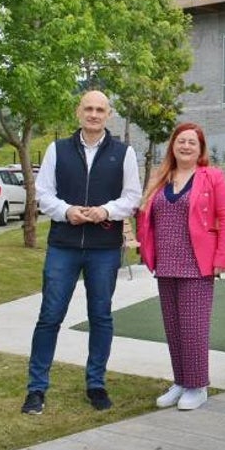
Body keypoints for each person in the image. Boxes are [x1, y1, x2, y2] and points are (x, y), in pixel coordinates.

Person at [22, 90, 141, 415]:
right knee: (49, 316)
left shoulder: (124, 153)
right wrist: (66, 211)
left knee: (101, 316)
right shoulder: (57, 149)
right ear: (78, 112)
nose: (93, 114)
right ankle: (36, 389)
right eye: (88, 108)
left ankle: (96, 384)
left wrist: (105, 211)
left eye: (99, 109)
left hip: (103, 249)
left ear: (108, 114)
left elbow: (132, 197)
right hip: (63, 245)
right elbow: (43, 193)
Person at [135, 123, 225, 411]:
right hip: (165, 263)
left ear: (201, 148)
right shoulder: (161, 177)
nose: (186, 146)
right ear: (173, 146)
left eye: (192, 142)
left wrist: (221, 260)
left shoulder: (212, 177)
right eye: (181, 141)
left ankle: (197, 385)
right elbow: (145, 215)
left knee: (193, 328)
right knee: (174, 327)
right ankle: (180, 381)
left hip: (197, 264)